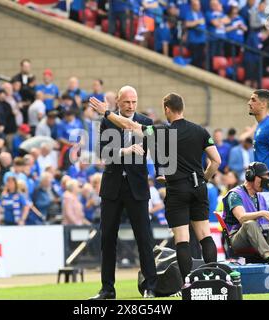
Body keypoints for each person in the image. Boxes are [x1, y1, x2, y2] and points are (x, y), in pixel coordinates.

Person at [89, 91, 221, 284]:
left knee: (182, 240)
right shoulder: (200, 131)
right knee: (204, 235)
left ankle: (188, 285)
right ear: (182, 108)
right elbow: (216, 160)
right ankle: (214, 280)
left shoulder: (161, 131)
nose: (132, 105)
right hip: (198, 187)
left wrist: (106, 112)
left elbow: (130, 125)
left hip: (177, 189)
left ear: (167, 109)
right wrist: (204, 180)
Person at [89, 86, 157, 300]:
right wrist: (123, 151)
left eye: (134, 102)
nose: (131, 106)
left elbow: (153, 147)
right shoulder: (106, 122)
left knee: (144, 238)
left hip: (137, 187)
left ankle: (150, 286)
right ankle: (107, 289)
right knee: (107, 238)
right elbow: (102, 153)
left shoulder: (145, 122)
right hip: (112, 187)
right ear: (118, 102)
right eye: (127, 102)